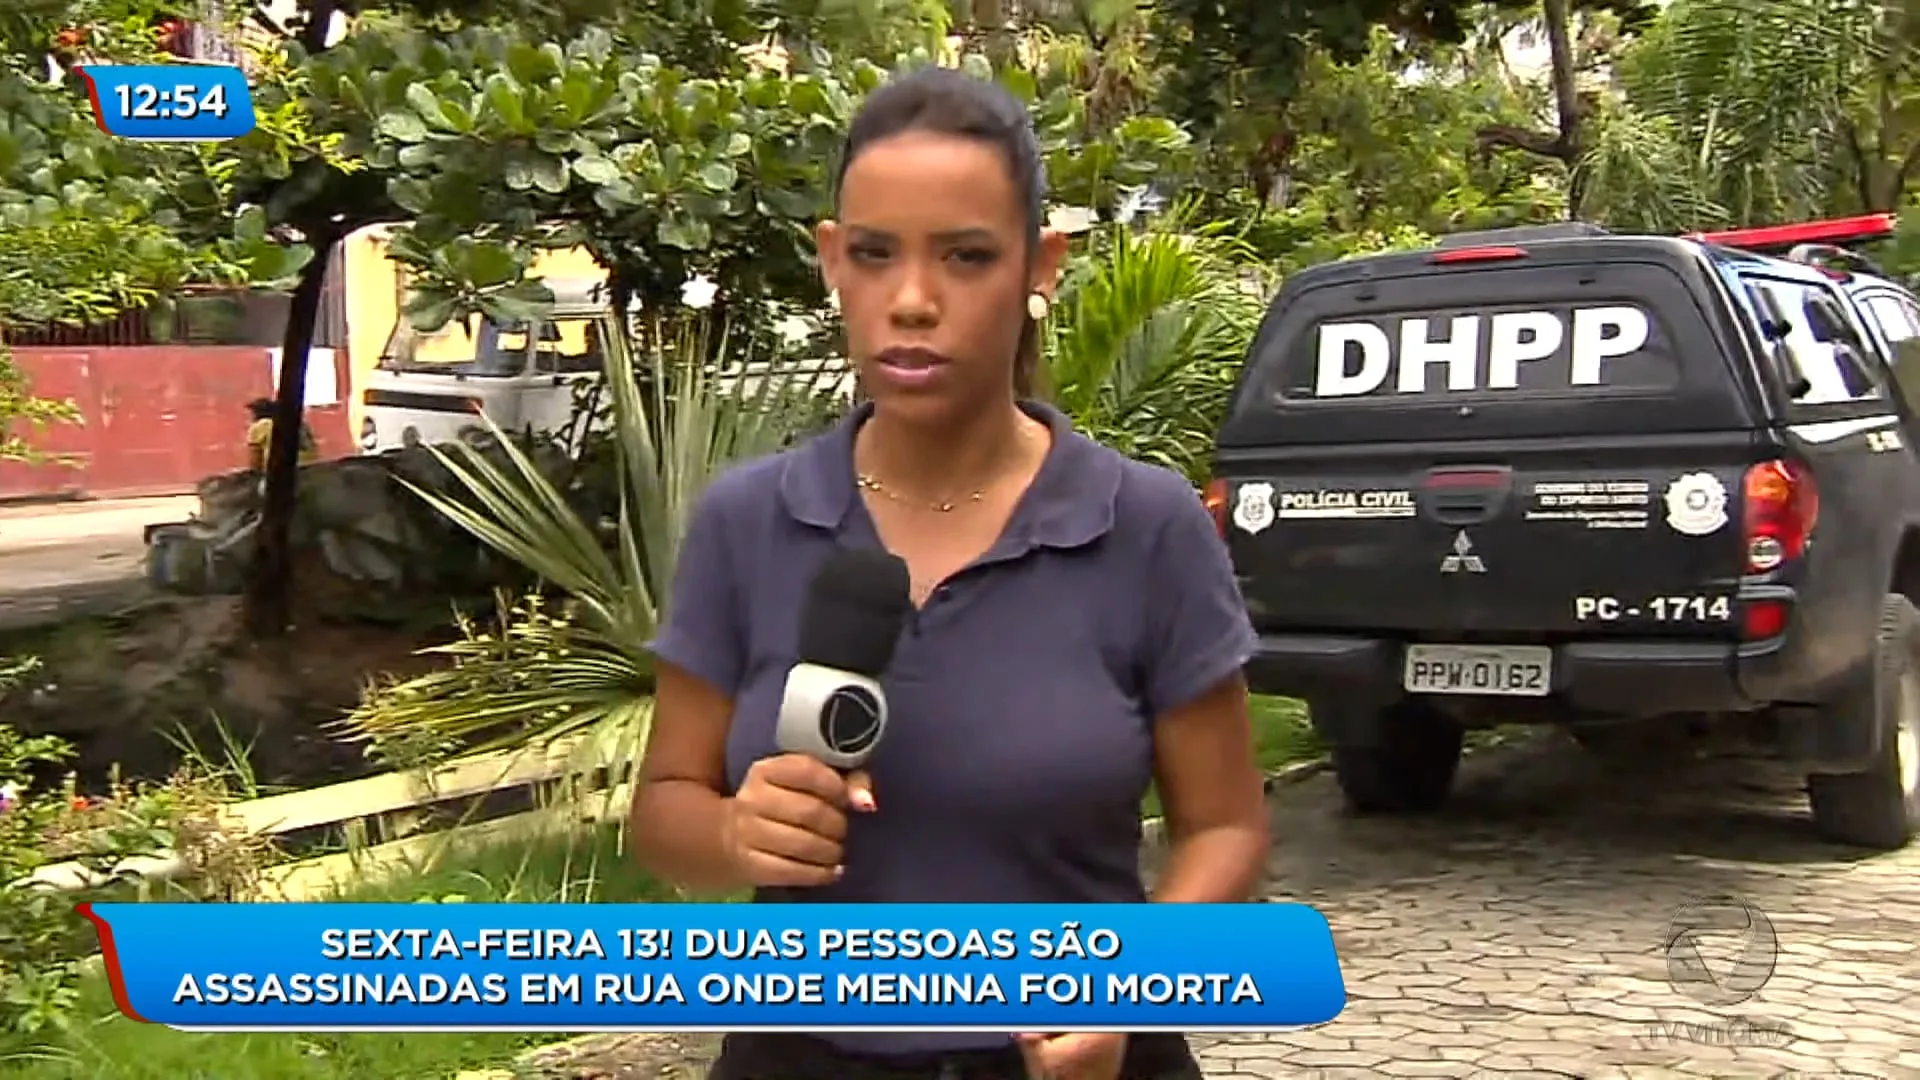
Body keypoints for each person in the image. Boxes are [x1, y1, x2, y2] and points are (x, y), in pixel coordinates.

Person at [632, 67, 1269, 1080]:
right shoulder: (745, 523)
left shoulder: (1145, 528)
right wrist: (734, 831)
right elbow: (666, 811)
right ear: (832, 262)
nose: (914, 301)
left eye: (967, 257)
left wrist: (1131, 988)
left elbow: (1226, 824)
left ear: (1039, 266)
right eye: (876, 256)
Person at [244, 397, 318, 471]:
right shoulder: (299, 423)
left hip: (280, 472)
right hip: (310, 470)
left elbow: (255, 460)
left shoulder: (259, 427)